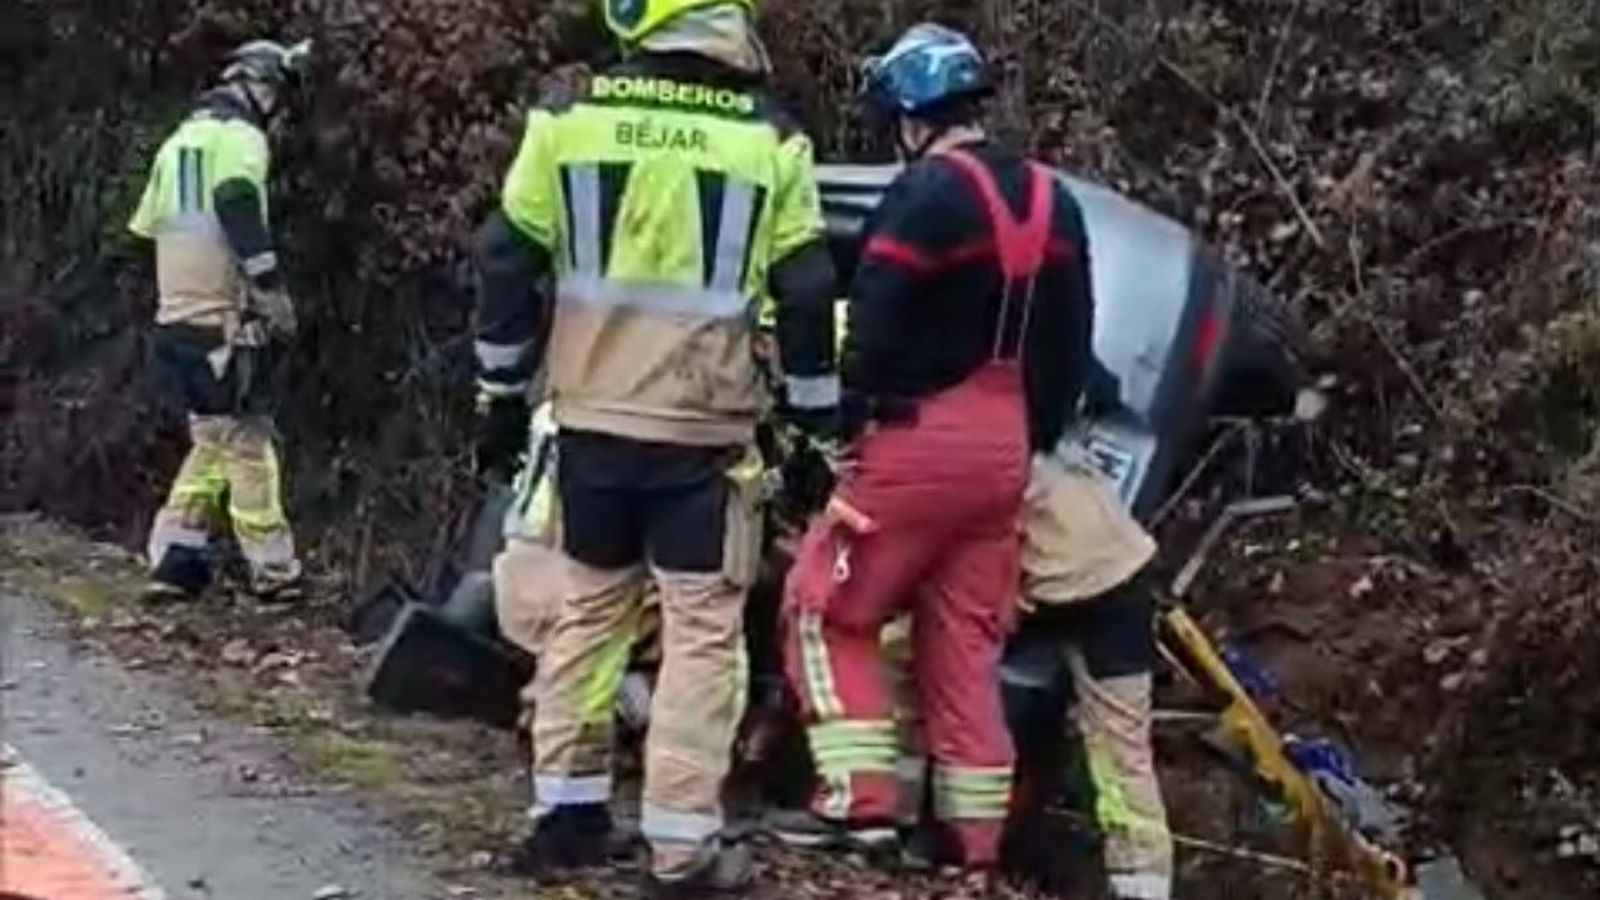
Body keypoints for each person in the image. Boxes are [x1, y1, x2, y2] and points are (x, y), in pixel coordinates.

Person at [471, 0, 838, 893]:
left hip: (590, 423)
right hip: (702, 440)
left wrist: (502, 396)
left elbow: (506, 258)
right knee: (702, 633)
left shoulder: (567, 120)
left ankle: (565, 815)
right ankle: (681, 849)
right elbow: (805, 289)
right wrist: (815, 429)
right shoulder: (769, 140)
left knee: (589, 613)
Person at [778, 23, 1095, 870]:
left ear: (910, 116)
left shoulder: (923, 197)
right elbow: (1072, 341)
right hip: (1006, 451)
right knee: (964, 647)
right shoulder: (1056, 201)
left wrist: (845, 423)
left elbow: (875, 320)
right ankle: (967, 840)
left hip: (919, 441)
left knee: (824, 608)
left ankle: (858, 809)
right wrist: (1034, 437)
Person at [131, 38, 312, 600]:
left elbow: (148, 230)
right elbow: (235, 199)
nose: (278, 112)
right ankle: (274, 572)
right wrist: (268, 287)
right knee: (249, 443)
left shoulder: (177, 143)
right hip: (222, 325)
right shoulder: (240, 138)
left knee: (212, 439)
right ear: (260, 87)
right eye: (278, 98)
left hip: (176, 322)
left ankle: (174, 558)